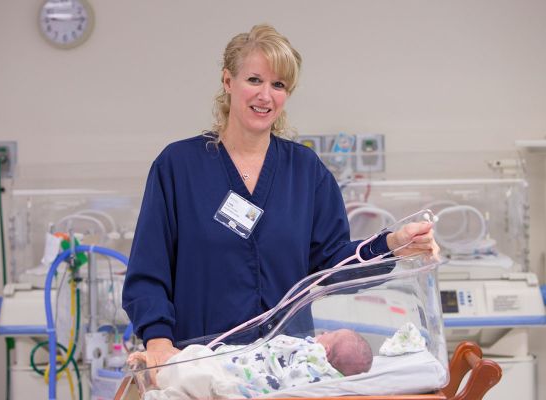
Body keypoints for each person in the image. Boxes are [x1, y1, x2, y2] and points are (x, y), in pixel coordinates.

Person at [122, 23, 439, 369]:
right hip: (200, 366)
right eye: (254, 80)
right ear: (228, 82)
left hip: (287, 367)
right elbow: (148, 272)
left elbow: (331, 266)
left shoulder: (305, 171)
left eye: (278, 85)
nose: (265, 95)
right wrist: (158, 343)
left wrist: (390, 245)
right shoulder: (179, 167)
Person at [128, 329, 373, 398]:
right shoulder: (326, 375)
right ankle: (159, 370)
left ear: (327, 349)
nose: (321, 334)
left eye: (328, 335)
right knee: (196, 361)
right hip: (237, 361)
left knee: (200, 374)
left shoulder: (312, 357)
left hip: (237, 374)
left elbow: (292, 386)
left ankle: (156, 381)